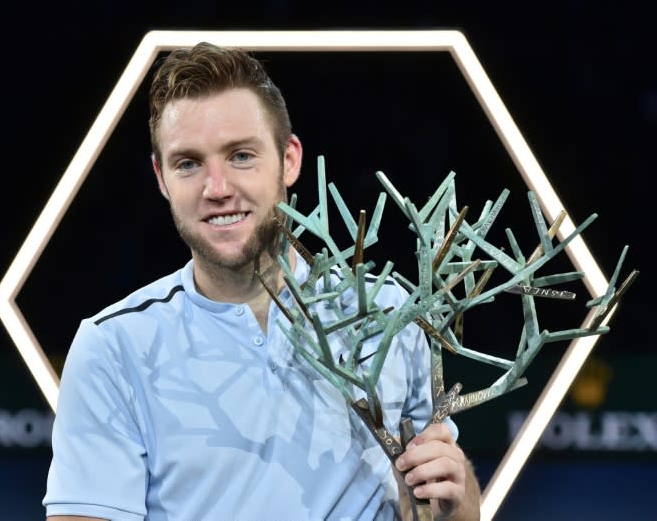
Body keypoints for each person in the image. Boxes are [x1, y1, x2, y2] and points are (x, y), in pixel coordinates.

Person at [43, 42, 481, 521]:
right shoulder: (112, 348)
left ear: (289, 160)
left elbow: (446, 508)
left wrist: (453, 501)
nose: (217, 188)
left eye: (241, 156)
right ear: (161, 178)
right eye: (188, 163)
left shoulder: (390, 313)